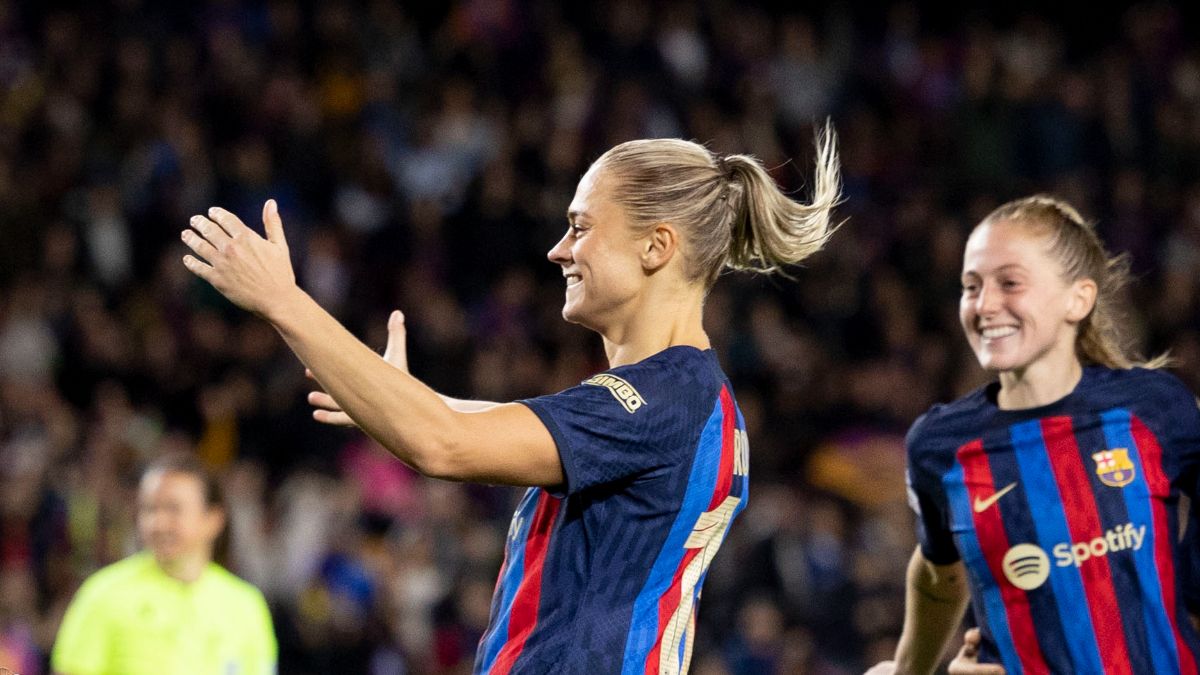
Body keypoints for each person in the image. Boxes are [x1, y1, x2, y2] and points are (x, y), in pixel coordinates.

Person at [178, 127, 841, 673]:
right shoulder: (691, 400)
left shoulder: (656, 402)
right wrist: (391, 397)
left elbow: (441, 440)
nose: (559, 250)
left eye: (581, 227)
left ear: (656, 244)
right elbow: (459, 421)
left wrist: (282, 301)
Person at [868, 195, 1200, 674]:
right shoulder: (940, 447)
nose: (984, 305)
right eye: (971, 286)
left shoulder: (1155, 409)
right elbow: (940, 573)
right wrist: (909, 672)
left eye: (1010, 283)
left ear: (1078, 298)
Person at [51, 453, 277, 675]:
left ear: (213, 519)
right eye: (149, 509)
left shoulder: (246, 604)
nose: (158, 523)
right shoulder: (103, 593)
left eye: (173, 509)